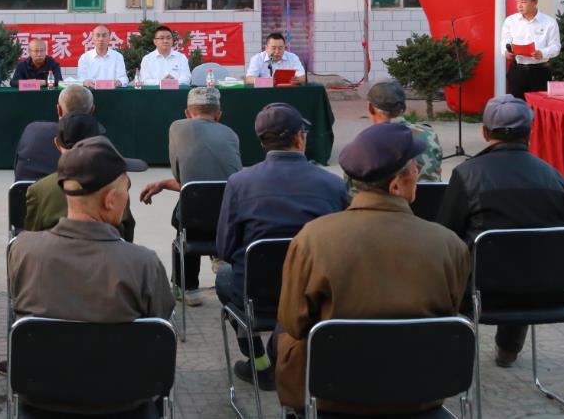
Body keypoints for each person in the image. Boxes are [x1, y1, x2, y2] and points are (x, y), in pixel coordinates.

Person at [275, 122, 470, 413]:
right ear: (395, 185)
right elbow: (449, 315)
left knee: (284, 329)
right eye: (414, 167)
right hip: (420, 392)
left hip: (332, 394)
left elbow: (294, 322)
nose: (418, 171)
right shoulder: (449, 244)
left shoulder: (312, 238)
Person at [8, 136, 174, 414]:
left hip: (42, 400)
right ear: (110, 201)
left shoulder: (23, 250)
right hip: (124, 402)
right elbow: (159, 328)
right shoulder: (144, 264)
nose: (127, 197)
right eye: (126, 189)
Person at [435, 94, 564, 367]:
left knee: (461, 259)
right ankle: (509, 350)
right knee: (525, 255)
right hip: (547, 292)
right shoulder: (555, 177)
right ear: (530, 133)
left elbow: (445, 233)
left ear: (485, 132)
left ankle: (448, 356)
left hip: (478, 293)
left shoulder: (467, 174)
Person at [215, 103, 349, 388]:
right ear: (300, 138)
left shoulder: (238, 183)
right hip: (316, 295)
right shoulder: (333, 184)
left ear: (261, 141)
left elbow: (224, 249)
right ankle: (296, 357)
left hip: (258, 296)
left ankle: (260, 362)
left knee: (225, 278)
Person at [139, 86, 244, 304]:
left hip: (195, 216)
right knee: (207, 201)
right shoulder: (231, 134)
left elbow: (183, 179)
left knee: (187, 212)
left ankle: (186, 287)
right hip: (229, 217)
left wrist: (163, 183)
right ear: (219, 115)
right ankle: (220, 254)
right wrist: (163, 184)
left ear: (187, 113)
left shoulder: (177, 128)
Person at [24, 112, 139, 242]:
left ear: (57, 143)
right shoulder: (115, 183)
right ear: (97, 140)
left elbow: (32, 238)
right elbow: (127, 237)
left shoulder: (39, 190)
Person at [346, 80, 441, 197]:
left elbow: (351, 193)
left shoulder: (364, 144)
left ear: (370, 108)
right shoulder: (429, 134)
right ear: (403, 108)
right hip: (430, 204)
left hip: (384, 206)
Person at [14, 85, 94, 181]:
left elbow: (17, 170)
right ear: (92, 110)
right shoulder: (99, 144)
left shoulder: (32, 130)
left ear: (58, 109)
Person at [501, 0, 561, 100]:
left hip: (540, 72)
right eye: (518, 1)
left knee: (540, 104)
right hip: (517, 71)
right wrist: (506, 52)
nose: (519, 5)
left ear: (535, 2)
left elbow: (556, 47)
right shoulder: (510, 21)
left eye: (524, 2)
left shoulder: (549, 22)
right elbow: (505, 42)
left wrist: (542, 53)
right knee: (517, 105)